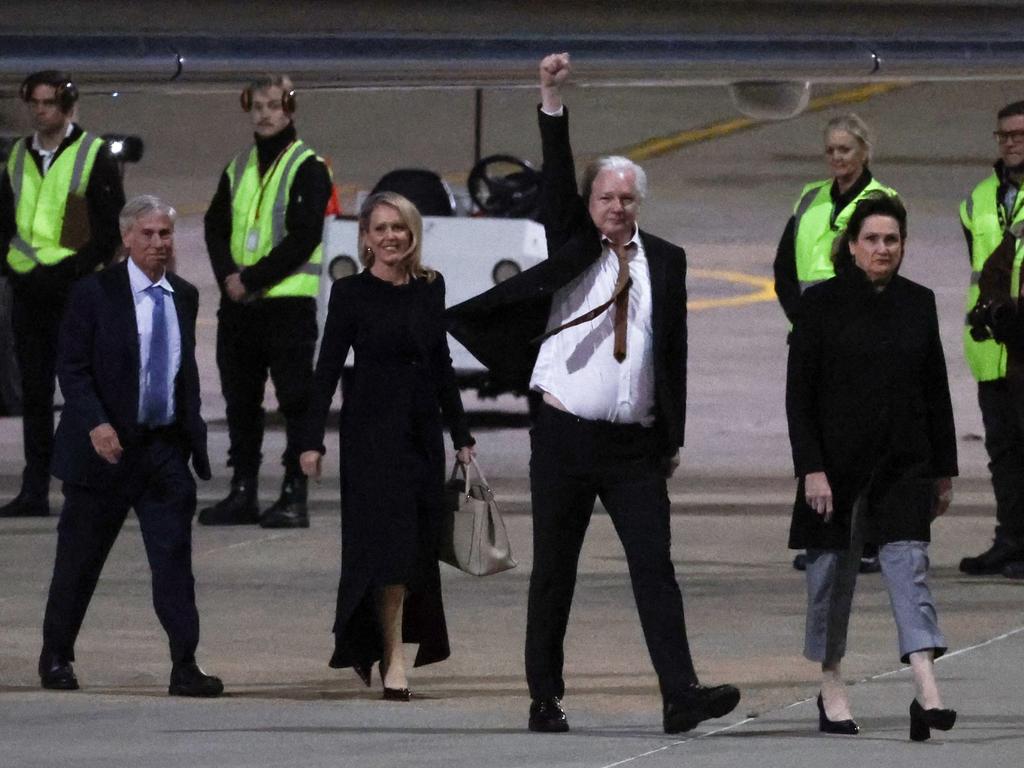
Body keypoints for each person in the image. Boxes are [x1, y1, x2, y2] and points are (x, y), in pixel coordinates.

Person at [447, 53, 740, 735]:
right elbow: (556, 176)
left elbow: (674, 354)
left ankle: (680, 694)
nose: (617, 207)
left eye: (627, 198)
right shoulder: (574, 244)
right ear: (588, 205)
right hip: (564, 436)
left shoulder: (667, 261)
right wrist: (551, 102)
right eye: (606, 197)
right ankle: (545, 696)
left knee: (654, 569)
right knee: (556, 572)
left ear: (640, 203)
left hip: (634, 444)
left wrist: (673, 435)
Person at [786, 192, 958, 741]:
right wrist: (811, 468)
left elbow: (936, 388)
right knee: (831, 579)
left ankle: (926, 686)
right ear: (852, 246)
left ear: (903, 245)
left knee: (910, 570)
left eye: (892, 239)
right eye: (872, 239)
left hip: (904, 463)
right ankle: (831, 682)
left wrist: (943, 468)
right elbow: (800, 395)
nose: (882, 248)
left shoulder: (919, 302)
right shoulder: (819, 305)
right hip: (834, 469)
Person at [37, 196, 222, 697]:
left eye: (165, 234)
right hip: (103, 451)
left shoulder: (183, 295)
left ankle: (185, 664)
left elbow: (181, 371)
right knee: (79, 561)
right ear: (126, 237)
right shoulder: (93, 293)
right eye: (148, 234)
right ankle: (56, 654)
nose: (159, 244)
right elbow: (72, 369)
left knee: (173, 563)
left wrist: (188, 439)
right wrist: (96, 424)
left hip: (161, 450)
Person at [299, 191, 475, 700]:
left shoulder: (429, 287)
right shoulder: (350, 293)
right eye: (379, 229)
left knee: (412, 549)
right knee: (385, 549)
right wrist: (311, 441)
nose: (390, 237)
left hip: (420, 435)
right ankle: (393, 656)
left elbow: (441, 362)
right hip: (370, 438)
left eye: (398, 227)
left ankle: (390, 646)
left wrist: (461, 434)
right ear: (365, 239)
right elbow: (328, 366)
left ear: (412, 232)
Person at [200, 73, 332, 529]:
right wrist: (227, 280)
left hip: (286, 305)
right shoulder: (237, 167)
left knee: (295, 402)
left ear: (289, 108)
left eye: (273, 105)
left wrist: (250, 279)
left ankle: (294, 493)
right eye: (257, 106)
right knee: (240, 402)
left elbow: (305, 236)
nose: (264, 113)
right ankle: (243, 491)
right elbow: (215, 227)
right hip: (240, 307)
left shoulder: (308, 167)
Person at [773, 113, 895, 574]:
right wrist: (803, 320)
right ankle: (822, 535)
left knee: (862, 440)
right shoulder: (809, 198)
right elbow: (786, 267)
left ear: (864, 150)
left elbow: (884, 268)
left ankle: (866, 538)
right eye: (831, 150)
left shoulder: (881, 201)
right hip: (811, 337)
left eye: (845, 149)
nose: (837, 158)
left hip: (861, 340)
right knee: (816, 439)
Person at [0, 70, 124, 518]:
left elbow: (104, 229)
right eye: (34, 102)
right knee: (34, 393)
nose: (39, 110)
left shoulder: (91, 156)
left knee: (80, 389)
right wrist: (13, 268)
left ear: (68, 106)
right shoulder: (18, 156)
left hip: (71, 289)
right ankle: (35, 487)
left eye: (49, 102)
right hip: (28, 286)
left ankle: (84, 482)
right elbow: (5, 220)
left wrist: (72, 271)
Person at [958, 100, 1024, 578]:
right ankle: (1011, 539)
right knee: (1003, 450)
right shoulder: (978, 199)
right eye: (1003, 135)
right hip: (992, 347)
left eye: (1019, 133)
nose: (1010, 141)